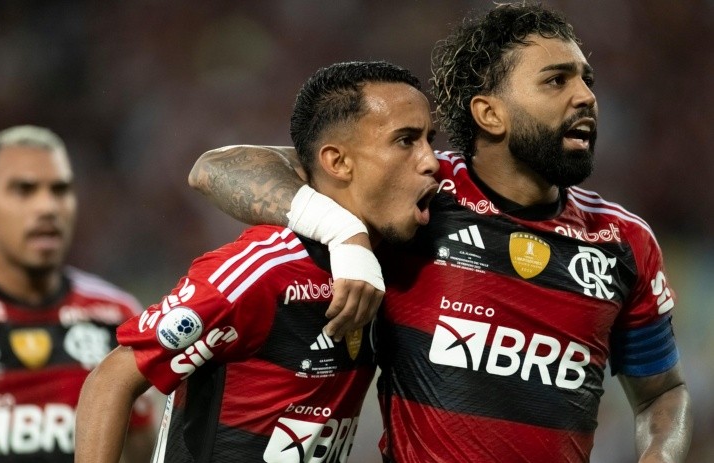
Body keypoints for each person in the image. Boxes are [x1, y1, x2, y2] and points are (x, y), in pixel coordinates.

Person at [187, 3, 693, 462]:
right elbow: (217, 168)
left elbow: (662, 393)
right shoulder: (415, 195)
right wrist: (344, 234)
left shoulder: (625, 241)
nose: (586, 97)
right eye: (556, 81)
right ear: (489, 113)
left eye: (587, 80)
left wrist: (661, 457)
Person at [74, 60, 438, 462]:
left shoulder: (390, 256)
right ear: (337, 162)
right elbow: (110, 382)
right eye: (406, 140)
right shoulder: (264, 270)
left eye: (430, 140)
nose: (432, 161)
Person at [0, 125, 156, 463]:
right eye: (24, 190)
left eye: (60, 190)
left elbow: (141, 453)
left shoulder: (115, 317)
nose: (47, 207)